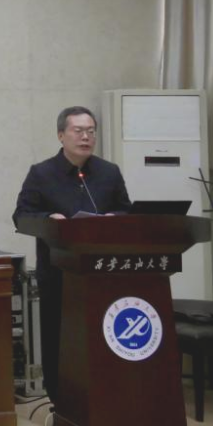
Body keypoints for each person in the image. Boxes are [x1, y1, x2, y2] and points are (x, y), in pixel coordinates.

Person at [12, 106, 131, 406]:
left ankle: (105, 400)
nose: (86, 137)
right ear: (61, 135)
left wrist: (114, 217)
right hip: (58, 273)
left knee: (102, 336)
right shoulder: (41, 173)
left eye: (91, 131)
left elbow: (127, 211)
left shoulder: (109, 172)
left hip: (103, 272)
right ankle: (61, 402)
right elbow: (21, 217)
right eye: (78, 131)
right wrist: (48, 219)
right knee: (59, 339)